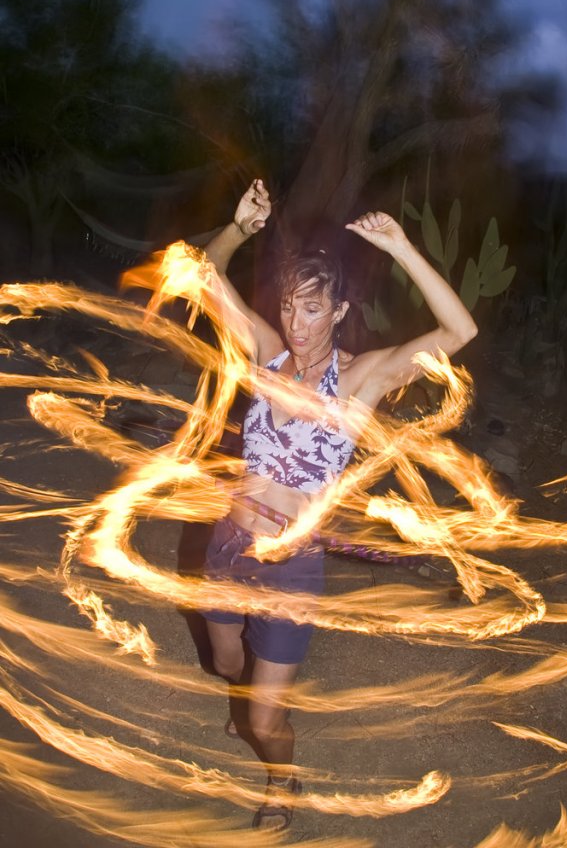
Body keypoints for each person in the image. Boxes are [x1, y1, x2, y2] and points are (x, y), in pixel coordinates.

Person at [202, 178, 477, 830]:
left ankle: (282, 777)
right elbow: (205, 273)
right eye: (289, 308)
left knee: (265, 719)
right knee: (224, 664)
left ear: (338, 310)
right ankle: (247, 696)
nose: (296, 325)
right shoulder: (268, 356)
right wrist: (239, 227)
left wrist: (403, 248)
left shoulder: (359, 380)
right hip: (227, 546)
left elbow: (458, 329)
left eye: (311, 310)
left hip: (290, 568)